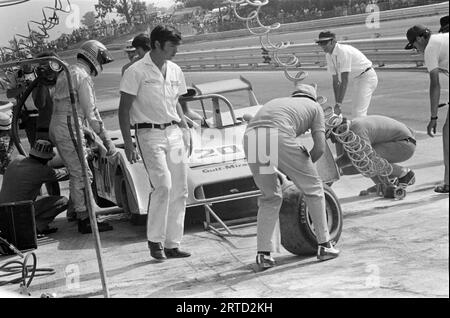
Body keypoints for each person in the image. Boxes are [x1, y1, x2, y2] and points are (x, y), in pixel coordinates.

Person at [243, 83, 340, 270]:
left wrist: (293, 167)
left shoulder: (278, 102)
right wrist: (302, 170)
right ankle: (325, 245)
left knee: (270, 197)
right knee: (314, 189)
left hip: (252, 140)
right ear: (313, 97)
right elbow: (319, 148)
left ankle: (263, 255)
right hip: (277, 135)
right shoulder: (314, 107)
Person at [119, 25, 191, 261]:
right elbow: (124, 109)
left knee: (180, 189)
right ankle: (155, 241)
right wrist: (128, 144)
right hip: (149, 135)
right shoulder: (136, 71)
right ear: (157, 44)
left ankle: (173, 243)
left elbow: (177, 102)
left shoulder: (175, 70)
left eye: (177, 46)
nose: (175, 51)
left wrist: (185, 127)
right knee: (163, 185)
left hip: (174, 132)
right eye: (172, 46)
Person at [50, 40, 117, 234]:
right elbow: (92, 112)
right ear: (94, 56)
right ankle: (85, 218)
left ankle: (78, 212)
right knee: (82, 173)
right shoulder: (82, 75)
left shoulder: (68, 71)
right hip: (68, 124)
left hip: (60, 123)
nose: (101, 65)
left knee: (77, 170)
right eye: (101, 60)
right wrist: (106, 139)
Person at [404, 25, 449, 193]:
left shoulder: (430, 48)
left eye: (414, 46)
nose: (416, 50)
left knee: (448, 132)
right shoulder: (443, 39)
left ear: (420, 39)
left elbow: (435, 85)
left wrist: (433, 117)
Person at [330, 114, 417, 196]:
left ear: (340, 129)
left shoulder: (357, 131)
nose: (333, 140)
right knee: (361, 158)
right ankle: (385, 183)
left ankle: (403, 173)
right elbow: (348, 158)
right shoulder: (351, 129)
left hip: (405, 145)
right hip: (401, 142)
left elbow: (366, 161)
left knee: (365, 160)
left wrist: (334, 172)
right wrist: (331, 170)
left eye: (332, 136)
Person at [0, 140, 69, 236]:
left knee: (36, 197)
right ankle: (36, 227)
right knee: (63, 201)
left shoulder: (17, 160)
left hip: (3, 211)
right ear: (46, 158)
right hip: (18, 213)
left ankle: (31, 225)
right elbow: (66, 173)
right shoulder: (41, 170)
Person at [315, 30, 378, 118]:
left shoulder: (343, 52)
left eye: (325, 43)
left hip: (367, 77)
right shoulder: (329, 55)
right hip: (358, 78)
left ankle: (364, 130)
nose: (322, 46)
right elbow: (336, 81)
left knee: (359, 112)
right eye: (320, 43)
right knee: (356, 110)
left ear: (333, 42)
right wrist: (337, 103)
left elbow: (344, 80)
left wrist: (339, 104)